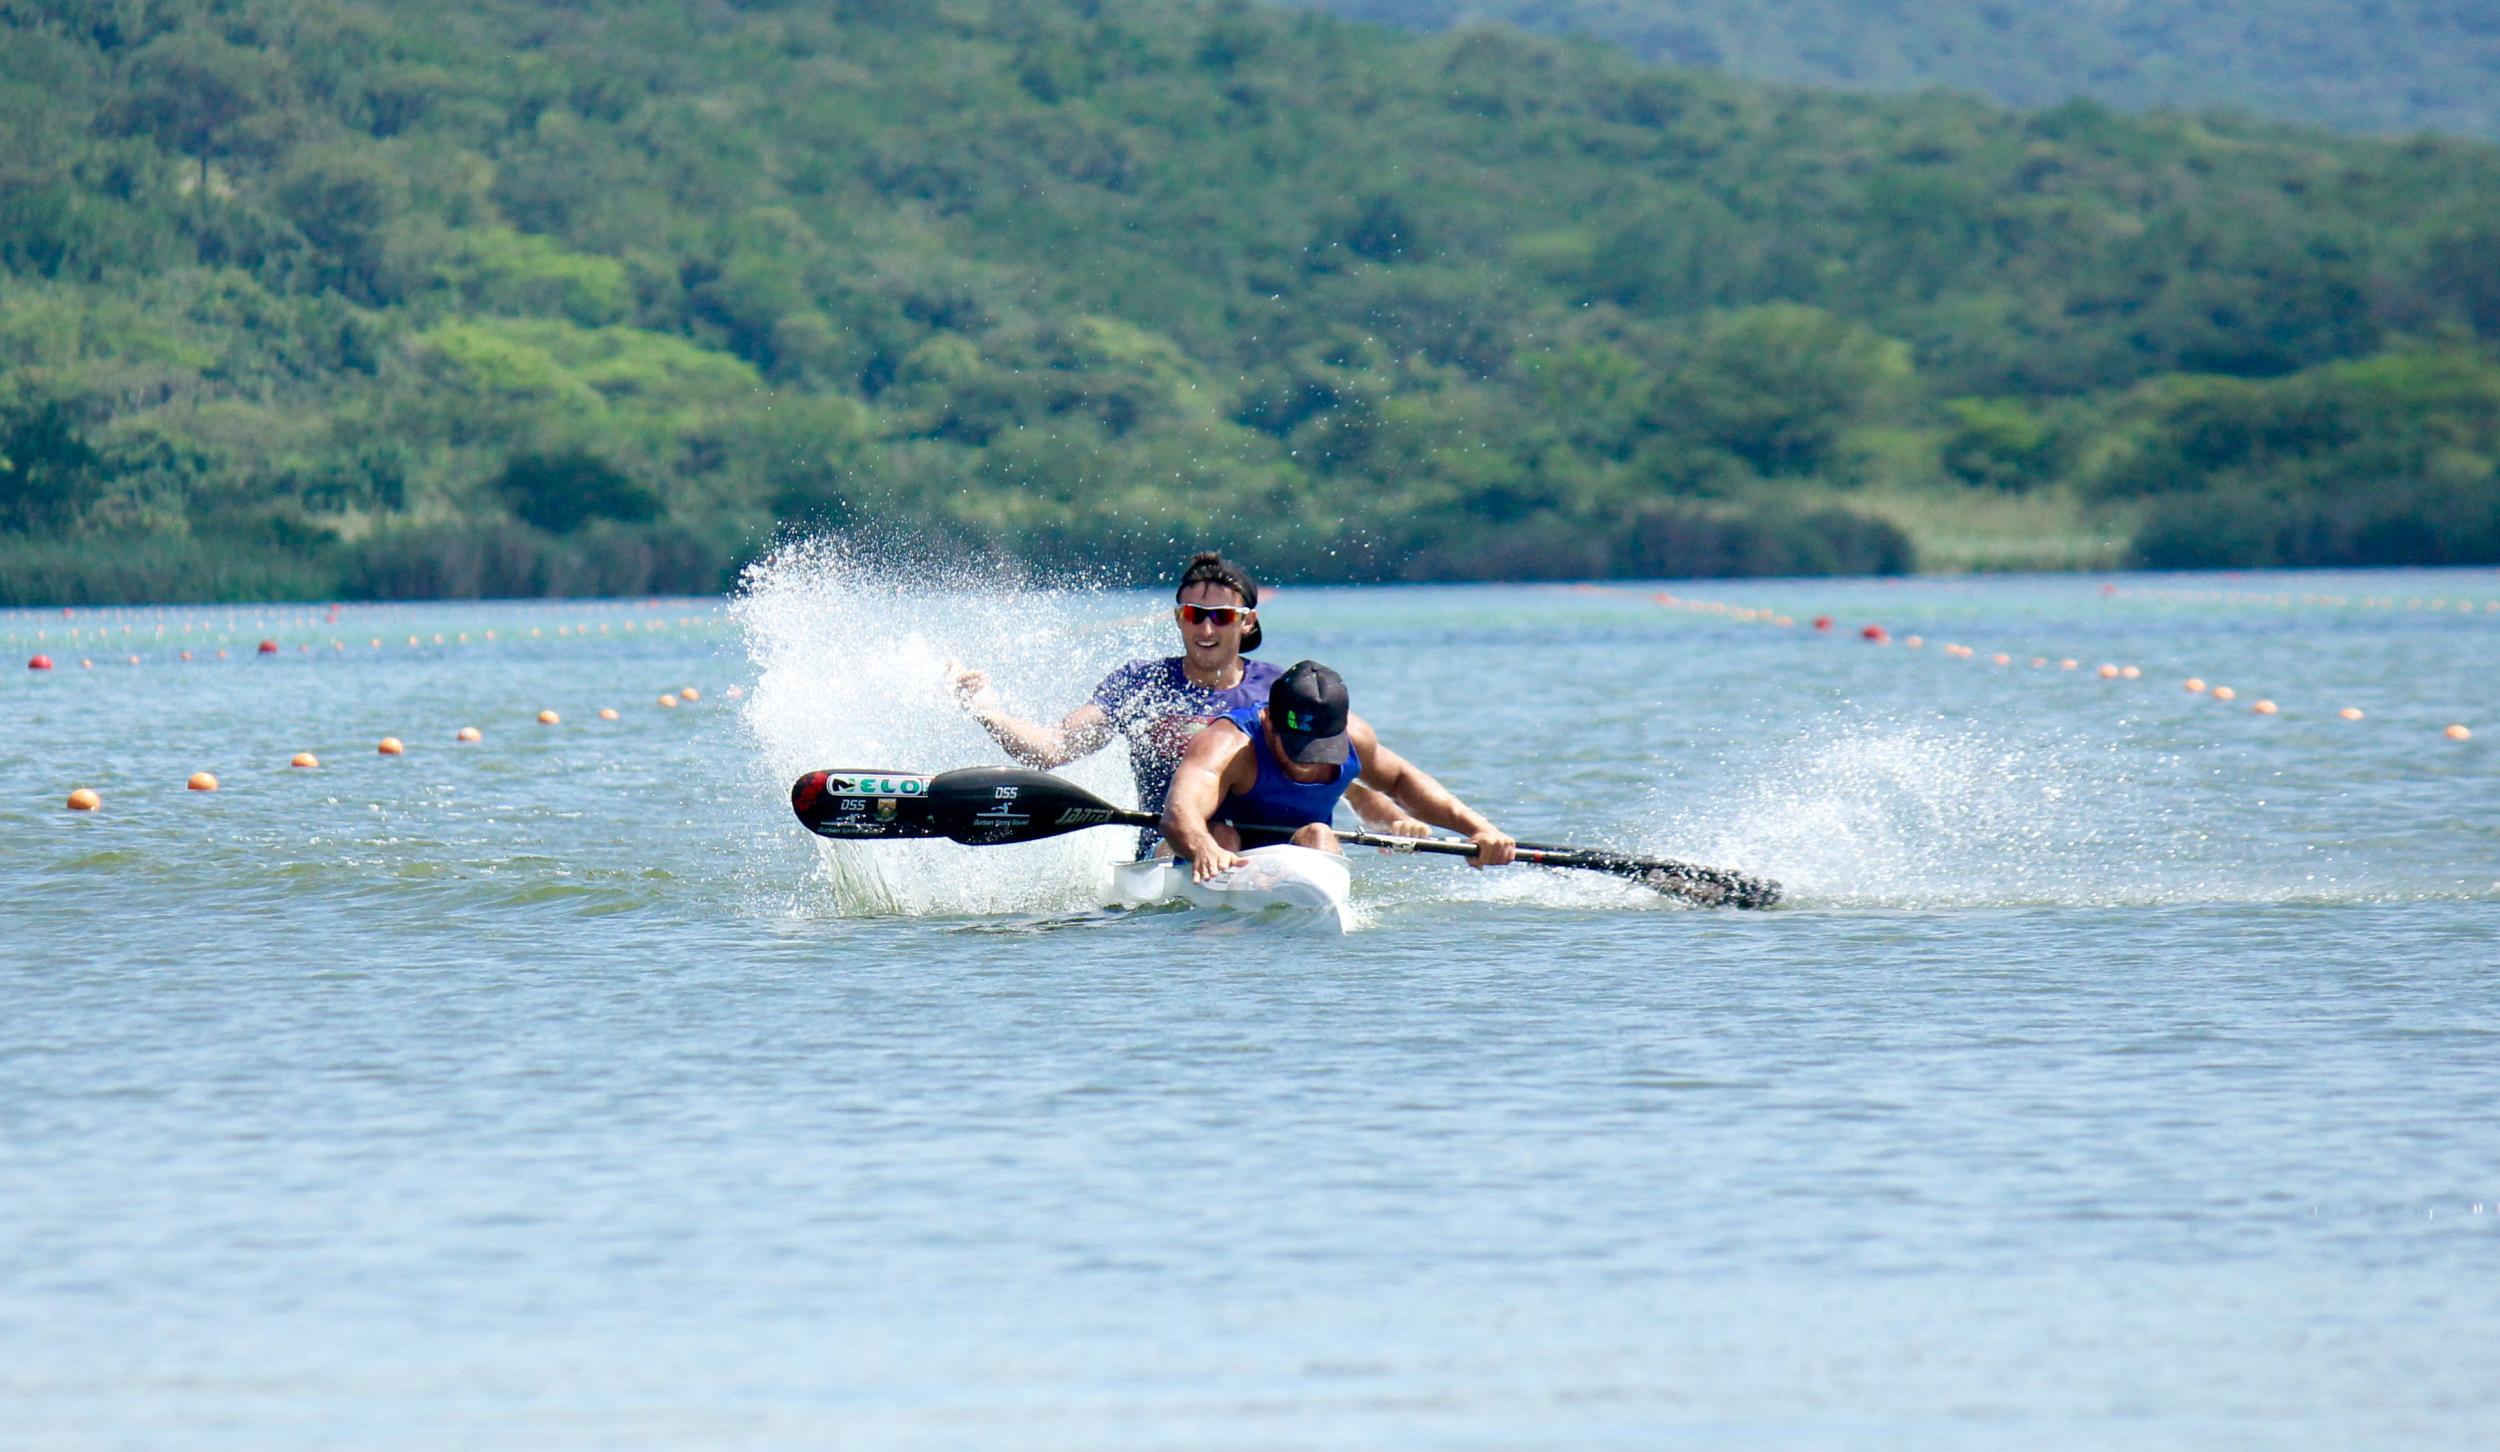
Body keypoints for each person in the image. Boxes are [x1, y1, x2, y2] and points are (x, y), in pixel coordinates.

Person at [948, 552, 1419, 855]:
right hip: (1174, 851)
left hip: (1287, 854)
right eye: (1194, 616)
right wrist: (987, 711)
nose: (1206, 630)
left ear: (1248, 623)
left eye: (1220, 617)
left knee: (1314, 836)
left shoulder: (1282, 691)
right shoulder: (1141, 685)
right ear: (1179, 618)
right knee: (1219, 835)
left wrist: (1394, 821)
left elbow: (1348, 784)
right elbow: (1052, 748)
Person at [1161, 660, 1518, 883]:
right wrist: (1203, 847)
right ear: (1269, 721)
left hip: (1297, 852)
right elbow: (1181, 813)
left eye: (1320, 749)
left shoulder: (1356, 737)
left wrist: (1480, 830)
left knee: (1318, 834)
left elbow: (1401, 781)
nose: (1308, 761)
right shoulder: (1228, 742)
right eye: (1297, 747)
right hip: (1218, 851)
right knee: (1223, 835)